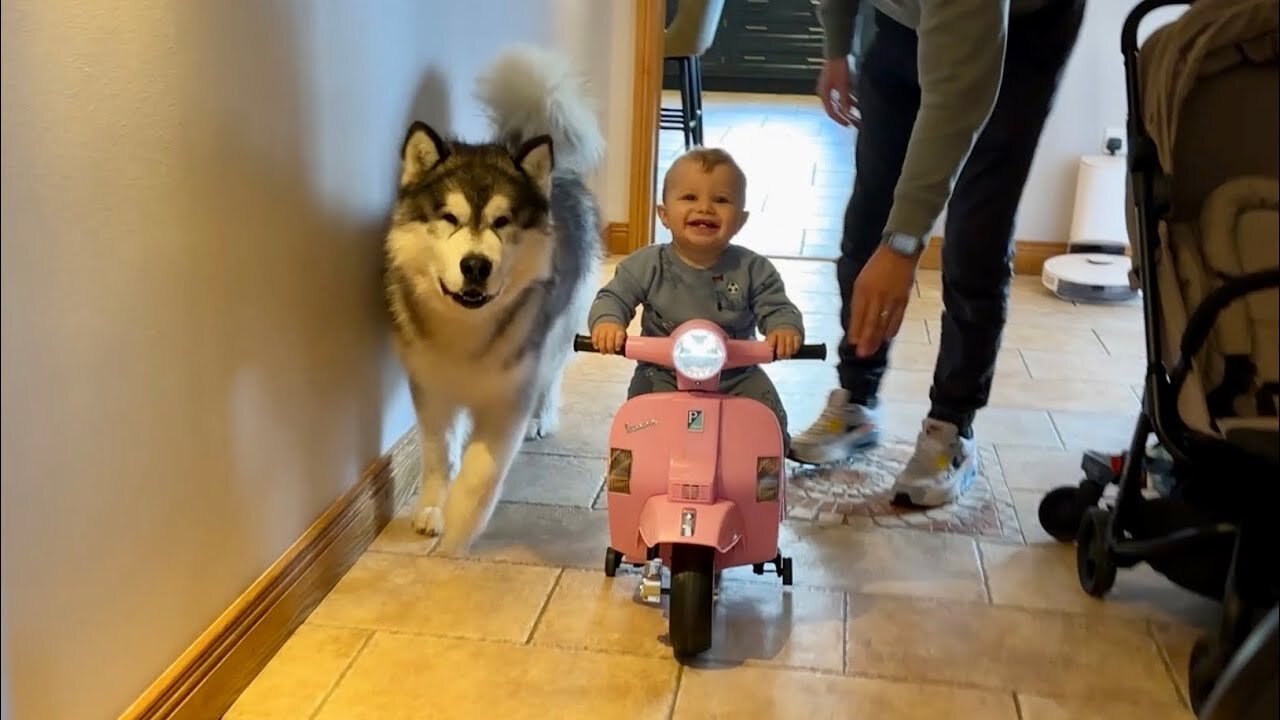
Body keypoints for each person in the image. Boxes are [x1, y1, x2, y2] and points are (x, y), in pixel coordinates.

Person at [788, 0, 1087, 508]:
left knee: (977, 230)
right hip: (904, 19)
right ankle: (856, 399)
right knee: (868, 215)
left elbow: (955, 100)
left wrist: (904, 243)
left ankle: (951, 427)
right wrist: (836, 47)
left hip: (1022, 31)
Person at [589, 147, 804, 450]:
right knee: (638, 421)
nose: (705, 208)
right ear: (664, 215)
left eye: (721, 200)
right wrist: (608, 322)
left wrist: (783, 329)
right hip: (662, 372)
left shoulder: (753, 269)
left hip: (736, 373)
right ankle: (637, 473)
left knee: (767, 420)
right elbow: (613, 297)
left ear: (740, 220)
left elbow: (777, 306)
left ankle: (764, 473)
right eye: (690, 197)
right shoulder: (646, 265)